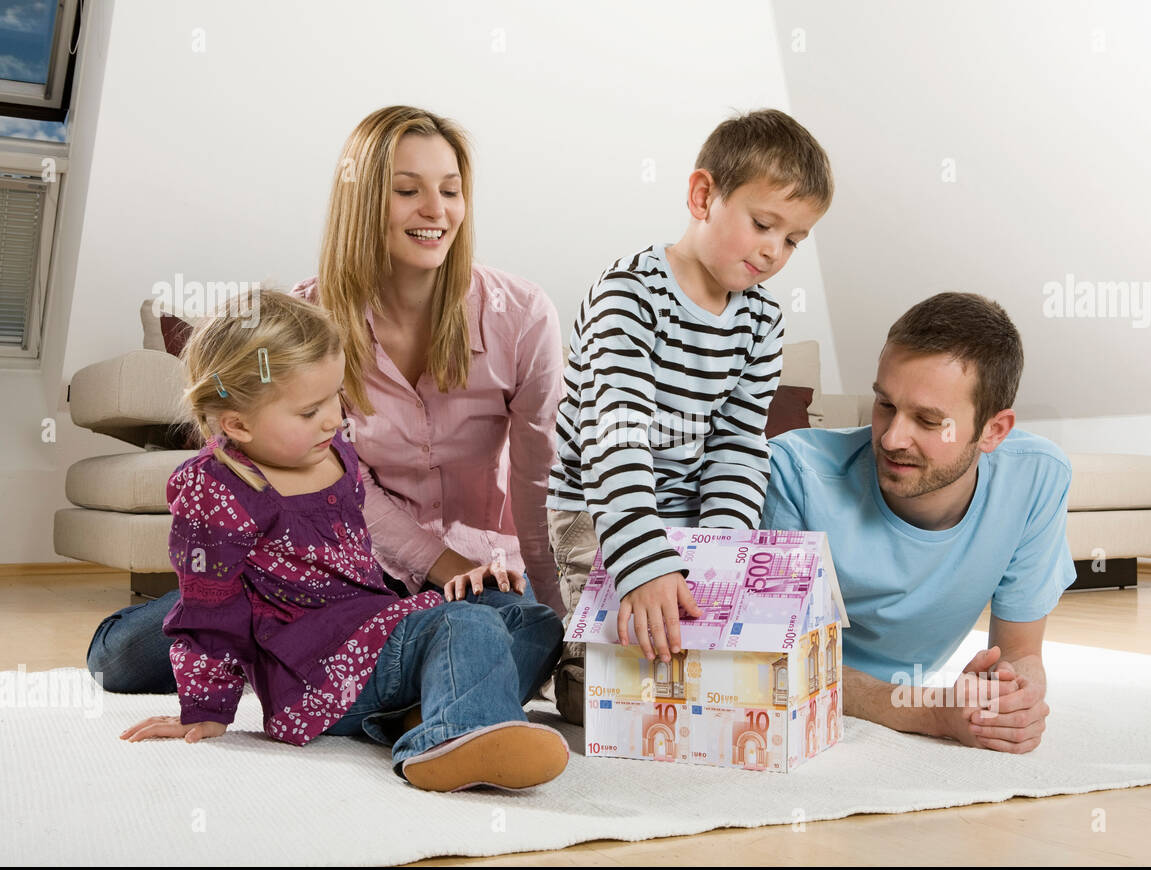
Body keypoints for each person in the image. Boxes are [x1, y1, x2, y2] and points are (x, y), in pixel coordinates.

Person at [88, 105, 565, 694]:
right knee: (126, 658)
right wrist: (440, 565)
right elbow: (333, 474)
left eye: (451, 190)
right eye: (407, 190)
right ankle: (384, 678)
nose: (436, 212)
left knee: (530, 631)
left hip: (481, 572)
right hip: (339, 567)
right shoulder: (310, 320)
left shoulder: (520, 314)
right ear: (362, 201)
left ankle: (368, 676)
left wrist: (550, 593)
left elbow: (541, 471)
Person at [118, 290, 568, 792]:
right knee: (465, 625)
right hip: (319, 672)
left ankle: (418, 715)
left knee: (535, 622)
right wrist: (205, 708)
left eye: (335, 396)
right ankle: (452, 734)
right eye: (310, 411)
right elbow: (209, 610)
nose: (333, 418)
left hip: (375, 625)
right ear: (238, 424)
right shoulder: (218, 489)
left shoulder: (334, 449)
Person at [546, 108, 834, 725]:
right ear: (703, 195)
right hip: (601, 506)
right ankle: (572, 670)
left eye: (792, 240)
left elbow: (737, 443)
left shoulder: (762, 321)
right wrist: (644, 562)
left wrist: (719, 552)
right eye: (764, 224)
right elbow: (614, 439)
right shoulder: (629, 295)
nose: (774, 251)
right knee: (609, 687)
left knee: (697, 656)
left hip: (686, 507)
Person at [761, 292, 1076, 755]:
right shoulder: (794, 473)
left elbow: (1021, 653)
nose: (891, 438)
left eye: (928, 421)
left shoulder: (1037, 477)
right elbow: (775, 662)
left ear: (993, 431)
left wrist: (1011, 696)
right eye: (885, 405)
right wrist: (929, 712)